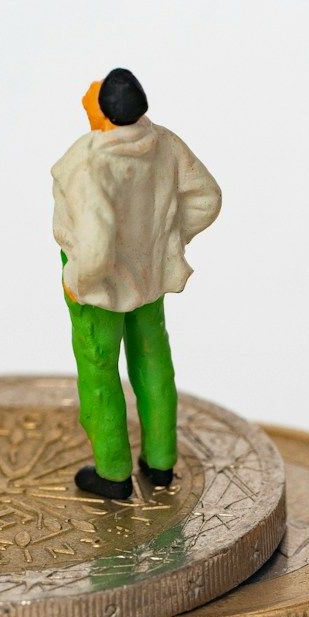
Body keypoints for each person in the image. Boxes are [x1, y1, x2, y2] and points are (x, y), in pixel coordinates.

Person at [51, 68, 222, 500]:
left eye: (94, 94)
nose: (88, 95)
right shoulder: (164, 143)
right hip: (149, 273)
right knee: (153, 360)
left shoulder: (89, 161)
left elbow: (94, 244)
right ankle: (161, 462)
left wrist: (77, 277)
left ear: (105, 112)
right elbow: (207, 196)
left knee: (99, 371)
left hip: (98, 285)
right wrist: (169, 238)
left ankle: (112, 471)